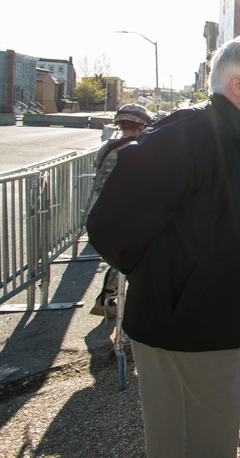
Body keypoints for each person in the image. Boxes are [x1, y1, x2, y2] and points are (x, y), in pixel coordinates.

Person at [87, 32, 240, 458]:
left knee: (216, 435)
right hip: (180, 324)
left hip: (222, 320)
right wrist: (168, 278)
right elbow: (112, 226)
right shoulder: (188, 133)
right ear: (238, 85)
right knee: (189, 443)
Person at [87, 103, 153, 318]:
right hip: (127, 211)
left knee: (120, 254)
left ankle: (109, 296)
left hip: (103, 210)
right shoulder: (139, 147)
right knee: (132, 254)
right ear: (142, 124)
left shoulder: (107, 146)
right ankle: (112, 296)